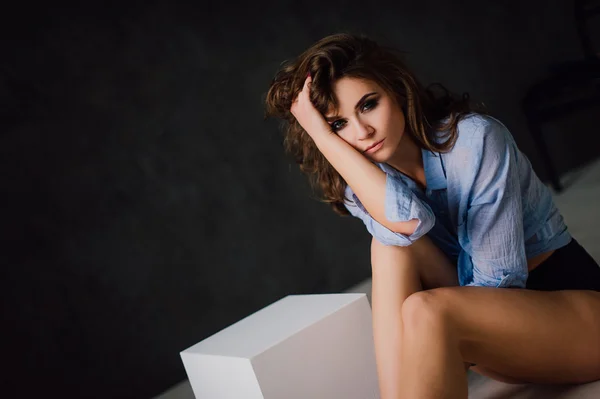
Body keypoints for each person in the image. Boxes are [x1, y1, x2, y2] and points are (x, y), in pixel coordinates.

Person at [264, 33, 600, 398]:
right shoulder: (359, 180)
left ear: (396, 90)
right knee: (389, 248)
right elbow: (405, 224)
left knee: (427, 310)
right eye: (338, 125)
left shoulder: (475, 140)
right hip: (485, 336)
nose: (362, 133)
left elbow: (498, 285)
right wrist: (323, 139)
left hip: (576, 320)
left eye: (368, 104)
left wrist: (323, 135)